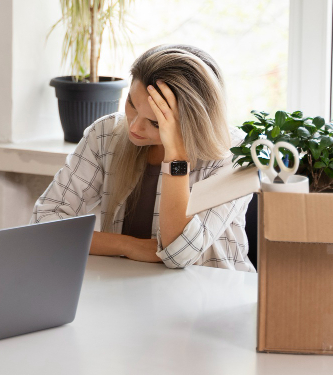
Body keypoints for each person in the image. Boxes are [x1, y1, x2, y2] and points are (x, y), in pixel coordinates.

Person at [31, 44, 254, 271]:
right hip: (127, 288)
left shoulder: (236, 154)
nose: (135, 126)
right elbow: (43, 224)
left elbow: (179, 253)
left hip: (213, 295)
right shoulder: (106, 133)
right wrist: (128, 246)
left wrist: (175, 156)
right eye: (131, 104)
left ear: (193, 122)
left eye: (156, 122)